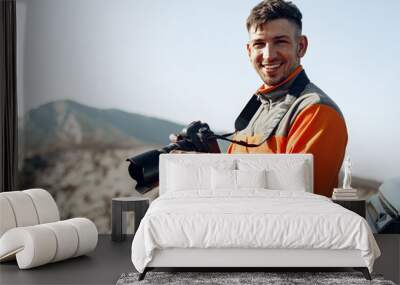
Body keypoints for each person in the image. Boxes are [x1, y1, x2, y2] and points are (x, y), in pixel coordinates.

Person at [227, 0, 348, 197]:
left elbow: (297, 205)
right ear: (249, 51)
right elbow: (234, 177)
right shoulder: (256, 107)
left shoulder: (317, 111)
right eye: (259, 44)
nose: (268, 55)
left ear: (301, 47)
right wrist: (204, 158)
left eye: (280, 42)